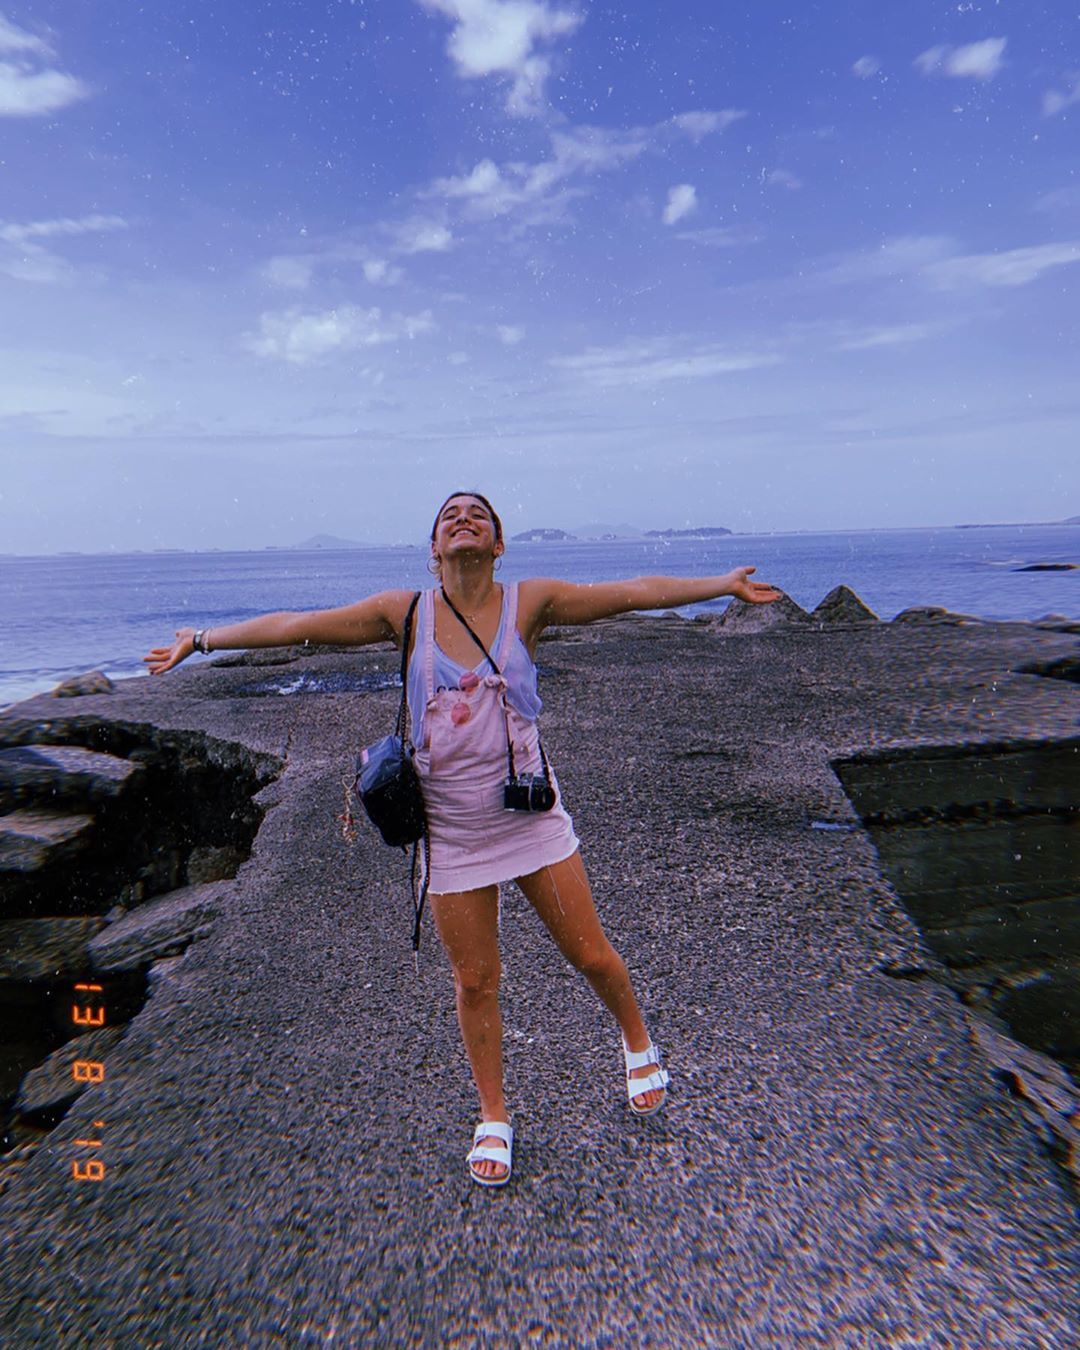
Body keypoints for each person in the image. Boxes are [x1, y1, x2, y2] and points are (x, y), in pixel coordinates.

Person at [145, 491, 782, 1187]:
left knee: (591, 954)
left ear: (498, 545)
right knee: (476, 981)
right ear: (434, 548)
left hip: (529, 817)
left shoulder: (530, 602)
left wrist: (721, 584)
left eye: (478, 513)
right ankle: (493, 1115)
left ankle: (637, 1043)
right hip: (450, 831)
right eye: (450, 515)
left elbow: (630, 593)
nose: (463, 519)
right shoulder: (404, 614)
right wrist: (200, 640)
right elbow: (299, 626)